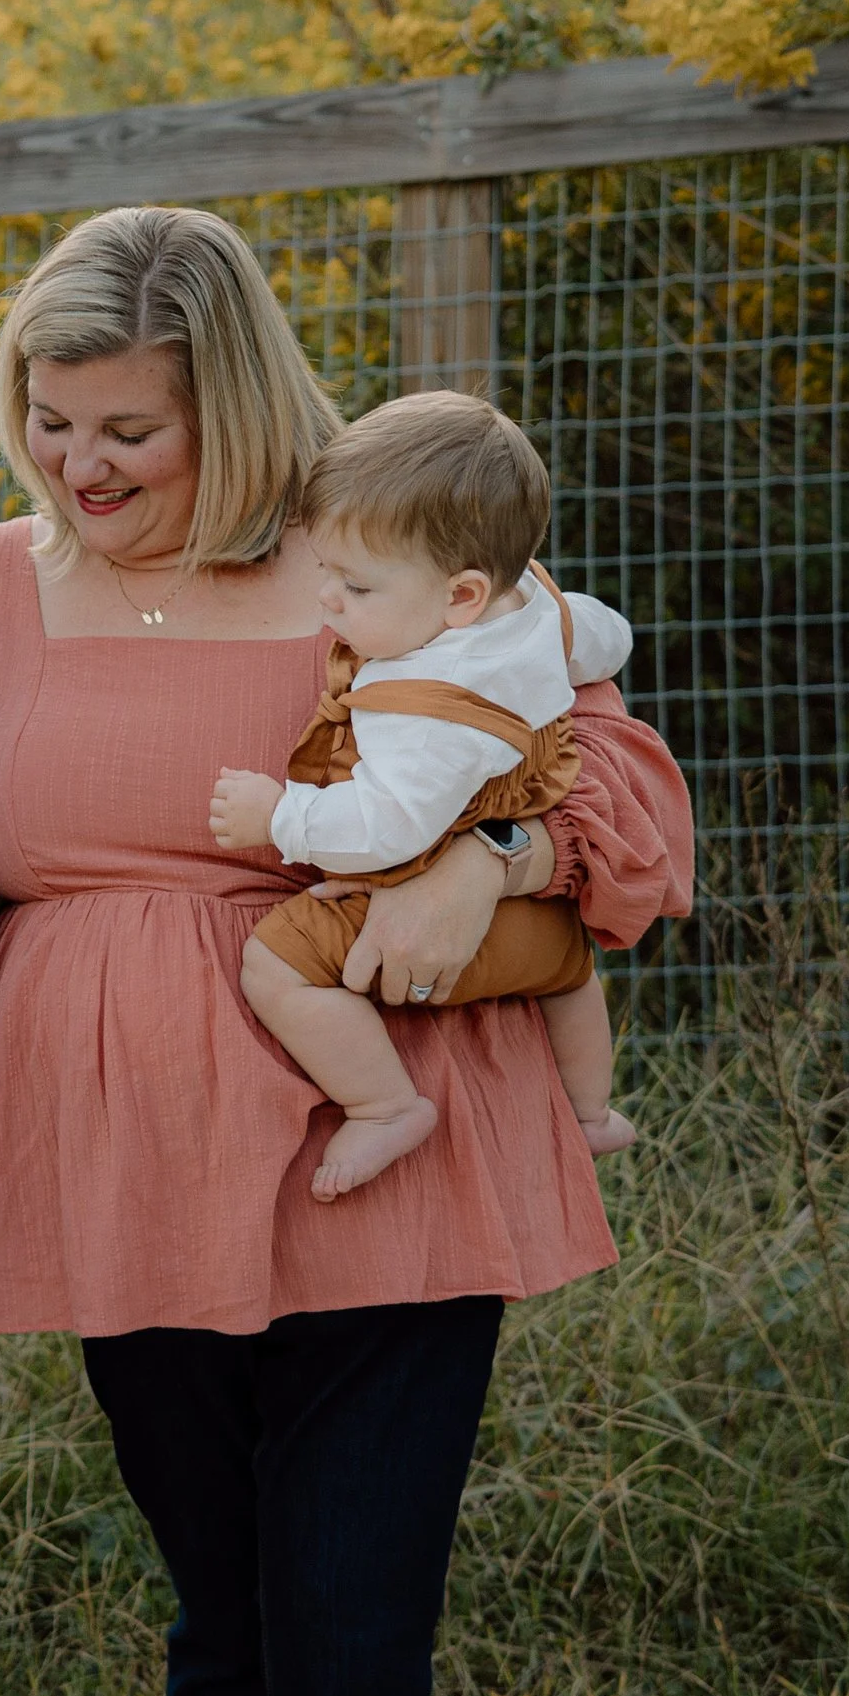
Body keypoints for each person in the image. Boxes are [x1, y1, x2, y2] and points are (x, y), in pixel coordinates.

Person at [0, 205, 693, 1696]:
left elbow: (621, 785)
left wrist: (500, 849)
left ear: (238, 407)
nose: (83, 468)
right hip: (125, 1184)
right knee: (222, 1626)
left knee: (345, 1634)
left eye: (133, 431)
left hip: (388, 1175)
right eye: (50, 422)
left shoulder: (374, 556)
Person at [209, 388, 638, 1199]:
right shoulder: (537, 606)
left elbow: (387, 827)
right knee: (573, 976)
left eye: (357, 586)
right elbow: (607, 636)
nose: (329, 599)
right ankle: (589, 1111)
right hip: (545, 929)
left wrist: (280, 815)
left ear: (460, 596)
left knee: (275, 967)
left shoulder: (423, 706)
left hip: (420, 916)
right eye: (325, 570)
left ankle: (382, 1105)